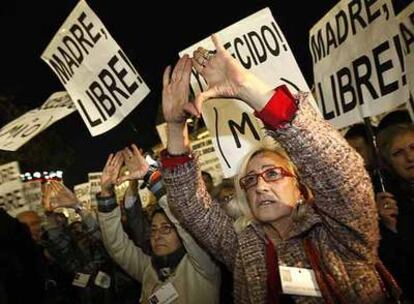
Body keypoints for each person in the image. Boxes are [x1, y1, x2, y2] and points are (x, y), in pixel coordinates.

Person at [159, 34, 400, 303]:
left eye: (272, 174)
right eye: (249, 180)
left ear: (299, 187)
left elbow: (340, 173)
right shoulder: (240, 246)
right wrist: (175, 126)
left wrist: (246, 88)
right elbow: (190, 205)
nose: (260, 186)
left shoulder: (339, 231)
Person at [96, 145, 221, 304]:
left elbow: (184, 222)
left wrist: (151, 176)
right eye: (153, 229)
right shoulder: (148, 269)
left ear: (181, 233)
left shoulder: (203, 265)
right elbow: (117, 247)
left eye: (166, 228)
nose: (157, 235)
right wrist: (106, 193)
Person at [376, 123, 414, 301]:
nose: (410, 157)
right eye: (398, 153)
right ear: (388, 162)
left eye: (413, 147)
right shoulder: (390, 204)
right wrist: (390, 227)